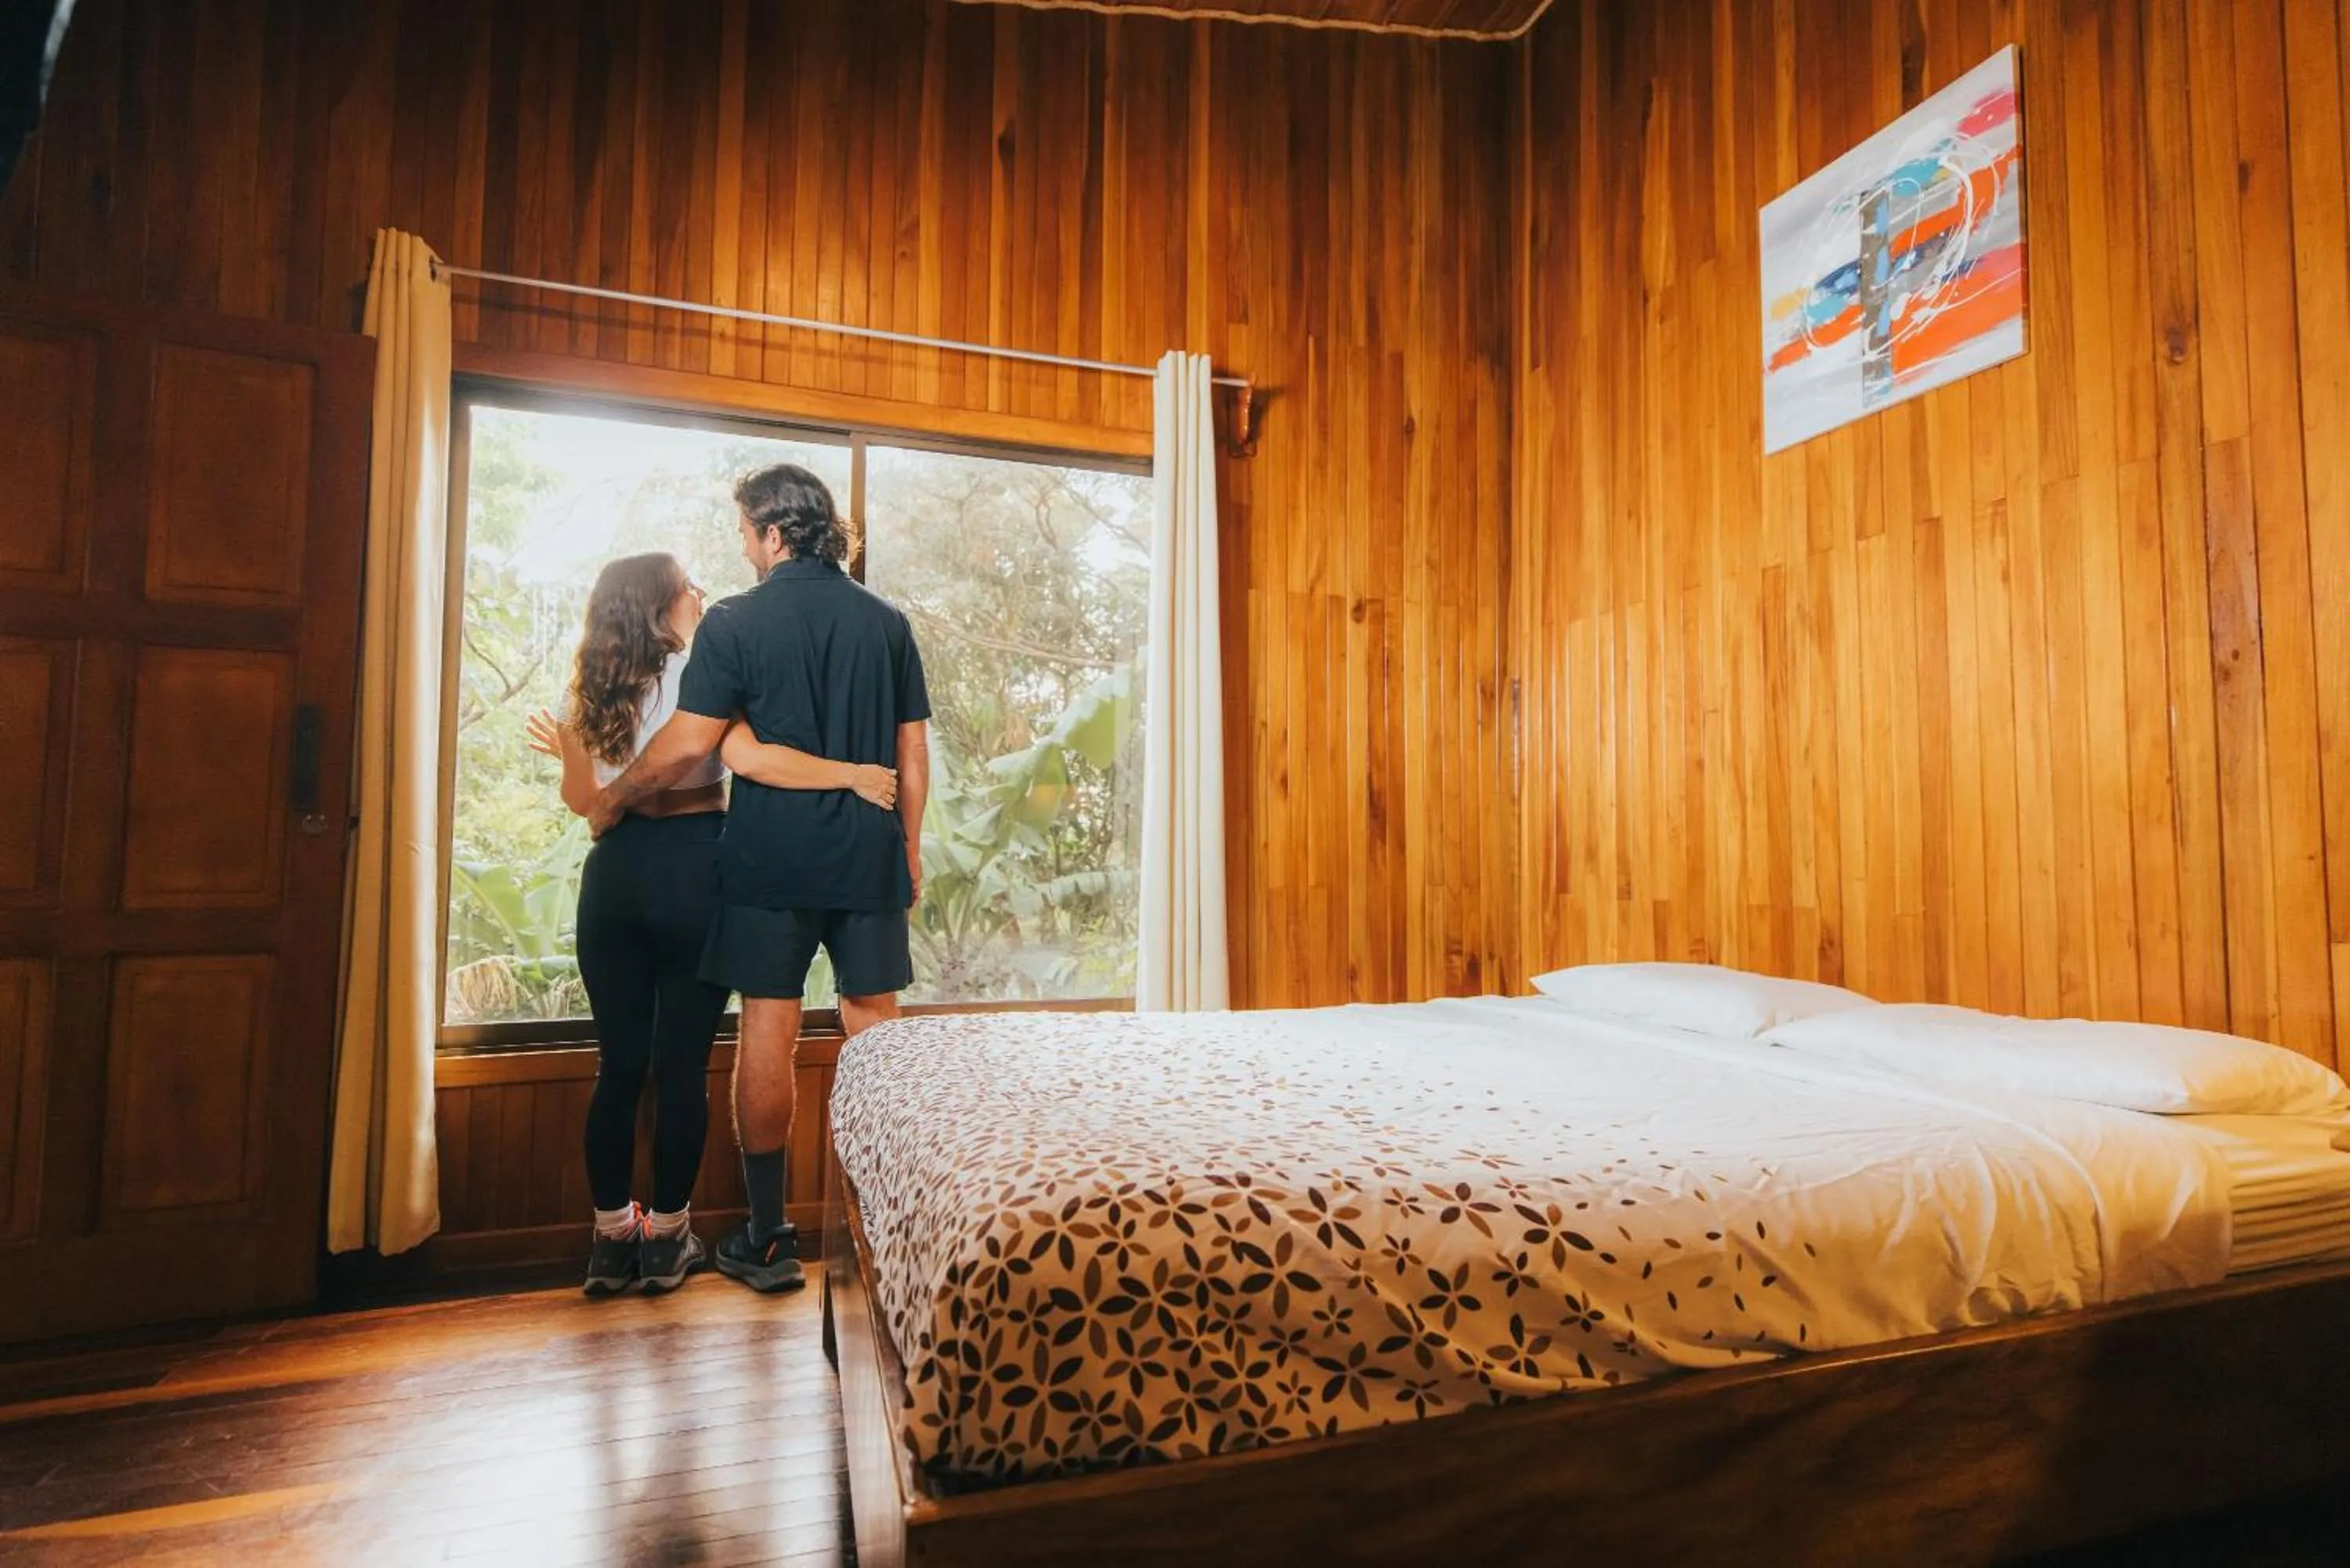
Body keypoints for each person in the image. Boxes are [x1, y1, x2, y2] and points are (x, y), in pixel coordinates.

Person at [588, 464, 931, 1296]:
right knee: (874, 1029)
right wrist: (909, 849)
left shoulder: (736, 622)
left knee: (767, 1031)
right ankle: (897, 1223)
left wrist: (615, 797)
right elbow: (912, 755)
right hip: (867, 847)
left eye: (745, 531)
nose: (741, 546)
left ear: (774, 534)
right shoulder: (886, 621)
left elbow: (683, 744)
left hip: (769, 858)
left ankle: (769, 1237)